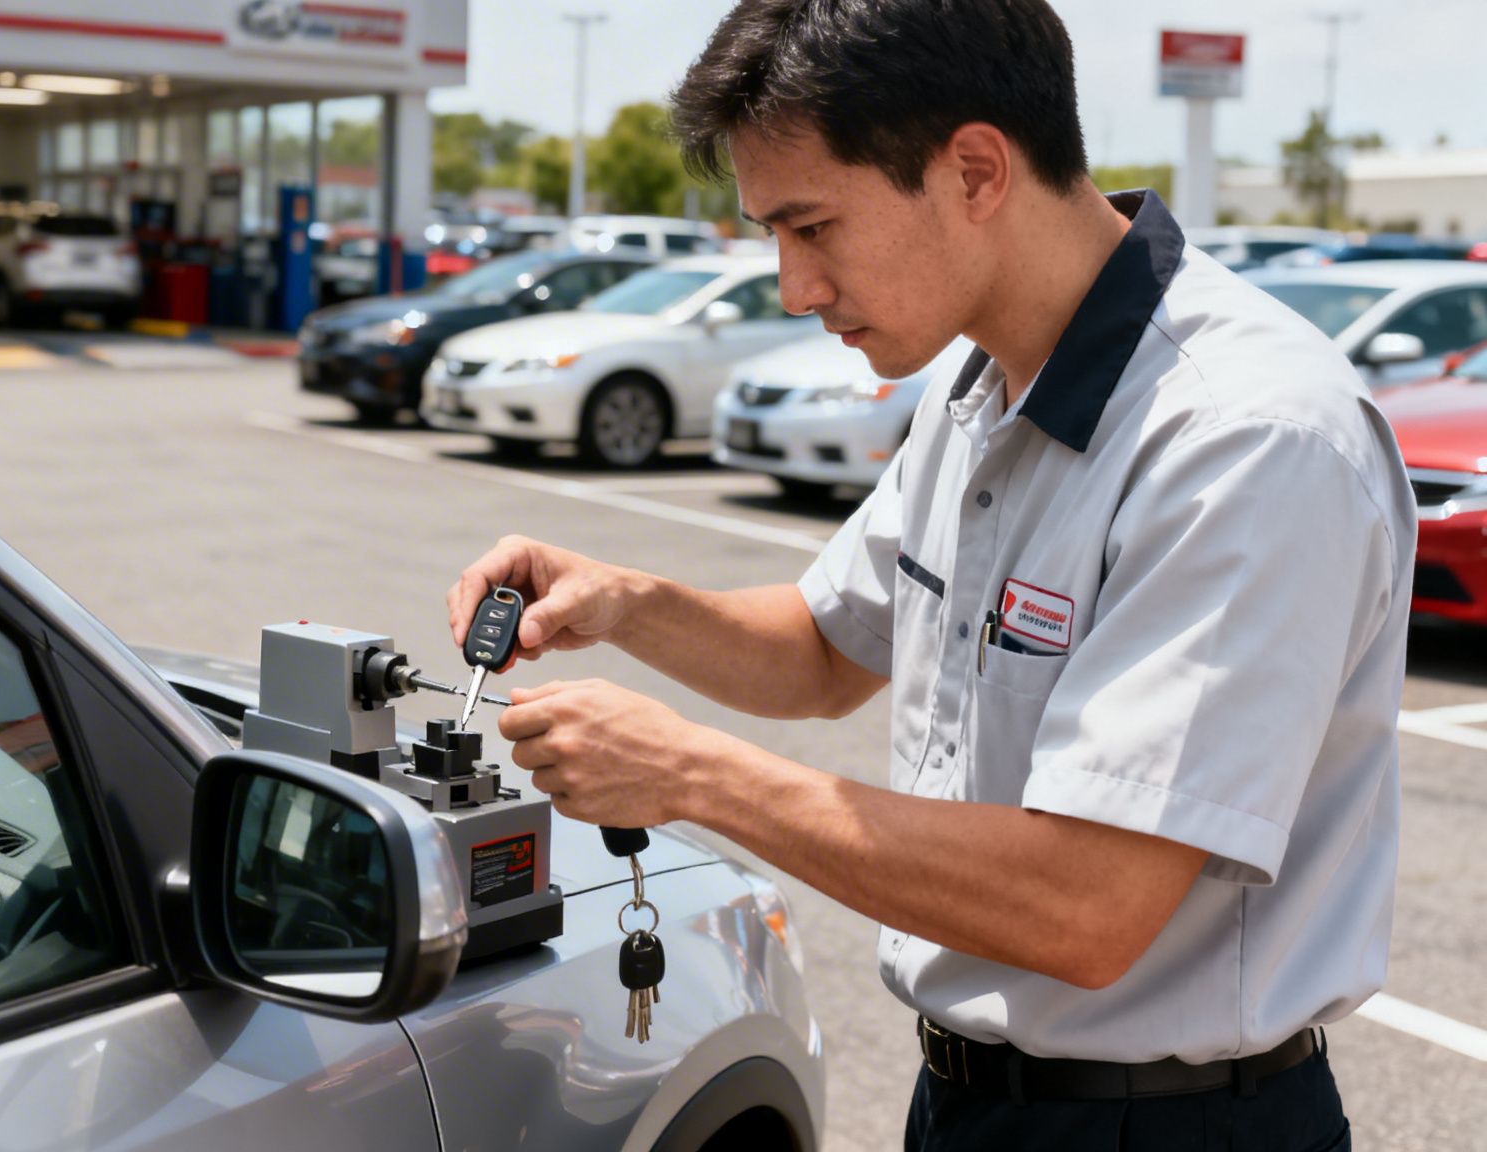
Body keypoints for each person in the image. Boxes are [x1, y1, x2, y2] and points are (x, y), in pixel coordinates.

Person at [447, 2, 1411, 1149]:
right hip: (965, 1100)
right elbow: (819, 649)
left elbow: (1086, 905)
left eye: (811, 227)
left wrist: (690, 776)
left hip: (1170, 1123)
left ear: (972, 170)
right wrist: (623, 601)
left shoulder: (1240, 437)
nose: (793, 286)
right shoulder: (986, 387)